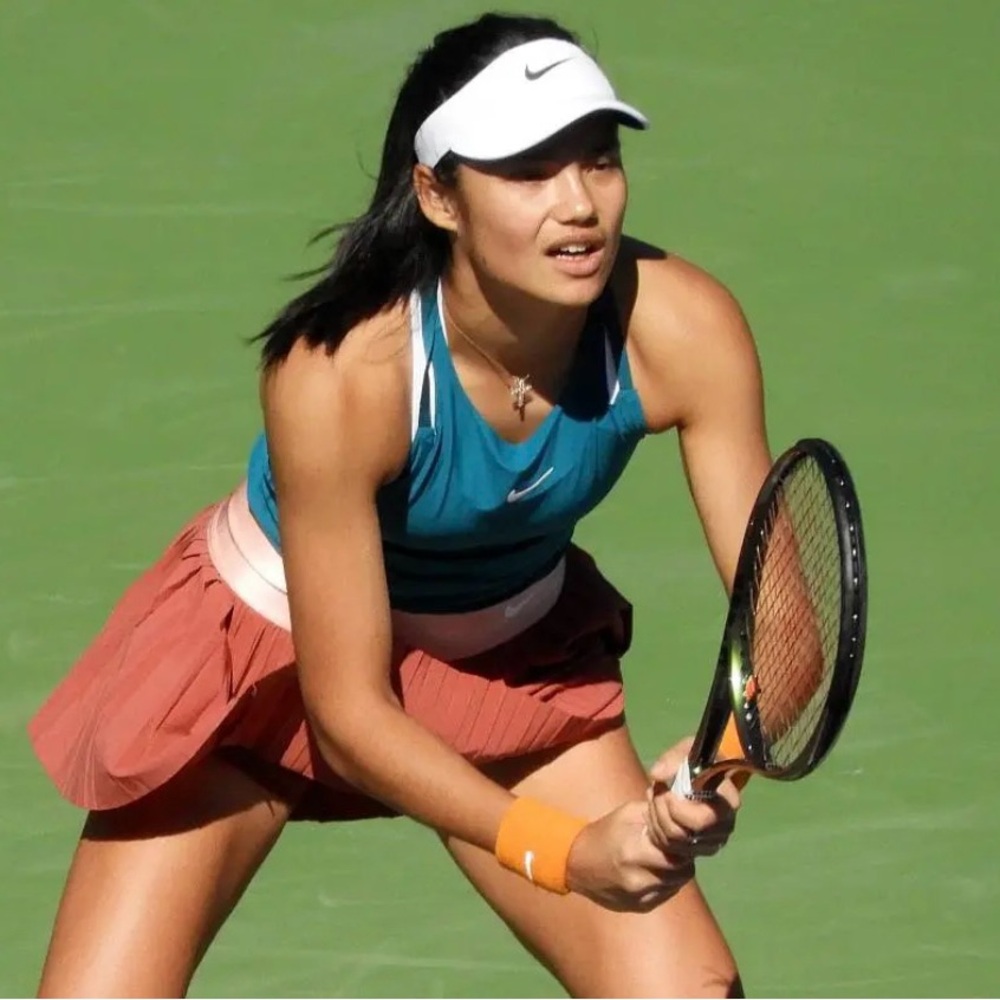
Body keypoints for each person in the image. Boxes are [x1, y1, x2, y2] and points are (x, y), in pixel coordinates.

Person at [28, 11, 773, 998]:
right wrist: (564, 852)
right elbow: (348, 714)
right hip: (270, 659)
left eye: (598, 161)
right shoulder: (342, 373)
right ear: (437, 196)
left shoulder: (682, 326)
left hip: (507, 667)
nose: (578, 205)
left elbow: (783, 613)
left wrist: (718, 767)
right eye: (527, 173)